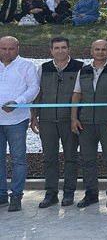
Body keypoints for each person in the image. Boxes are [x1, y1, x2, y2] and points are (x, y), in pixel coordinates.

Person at [70, 39, 107, 209]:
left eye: (103, 49)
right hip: (86, 122)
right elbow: (77, 95)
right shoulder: (83, 70)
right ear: (91, 51)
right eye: (97, 49)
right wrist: (74, 118)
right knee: (88, 159)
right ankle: (91, 193)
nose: (100, 52)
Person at [30, 37, 83, 208]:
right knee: (49, 158)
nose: (60, 51)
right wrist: (34, 116)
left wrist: (76, 118)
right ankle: (51, 193)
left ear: (69, 49)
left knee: (71, 157)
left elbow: (82, 94)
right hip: (47, 121)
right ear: (51, 50)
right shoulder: (43, 68)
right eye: (56, 48)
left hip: (70, 120)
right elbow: (38, 93)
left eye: (63, 47)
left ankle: (69, 192)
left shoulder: (80, 67)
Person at [0, 36, 40, 211]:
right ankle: (1, 195)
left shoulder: (27, 66)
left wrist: (18, 102)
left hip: (17, 120)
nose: (7, 52)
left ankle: (16, 195)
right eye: (3, 48)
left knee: (18, 159)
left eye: (11, 49)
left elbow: (34, 88)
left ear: (18, 49)